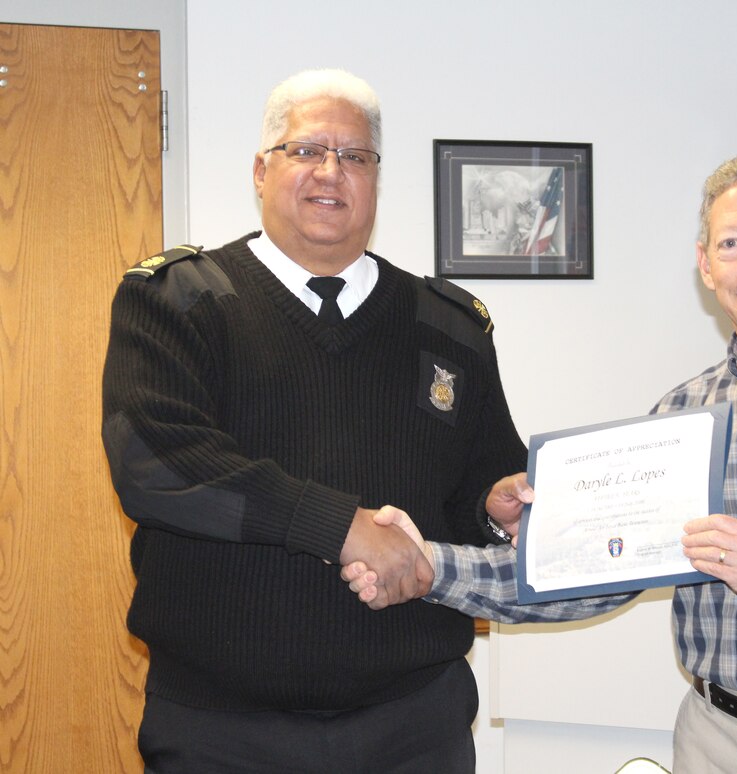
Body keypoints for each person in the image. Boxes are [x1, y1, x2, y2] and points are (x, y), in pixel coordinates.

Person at [344, 155, 737, 773]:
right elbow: (584, 574)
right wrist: (428, 563)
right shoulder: (680, 417)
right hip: (717, 745)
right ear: (706, 268)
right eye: (731, 245)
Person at [101, 68, 527, 773]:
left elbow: (481, 486)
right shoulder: (176, 301)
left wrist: (493, 507)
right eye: (306, 151)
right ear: (262, 170)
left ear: (375, 180)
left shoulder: (449, 325)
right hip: (222, 730)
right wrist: (341, 526)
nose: (332, 171)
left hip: (414, 723)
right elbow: (158, 464)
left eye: (355, 156)